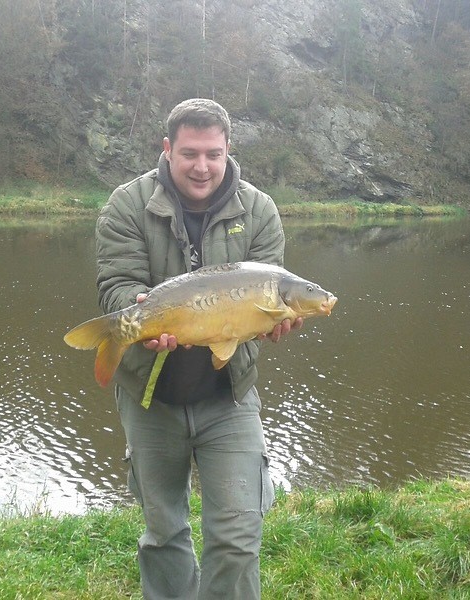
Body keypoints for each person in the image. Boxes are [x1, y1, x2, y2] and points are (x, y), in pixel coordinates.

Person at [95, 98, 301, 600]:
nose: (202, 166)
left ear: (228, 150)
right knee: (164, 533)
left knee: (238, 537)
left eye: (213, 154)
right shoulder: (127, 204)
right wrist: (137, 311)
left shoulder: (259, 210)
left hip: (229, 394)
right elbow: (116, 286)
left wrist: (271, 325)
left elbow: (268, 291)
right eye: (189, 153)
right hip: (150, 393)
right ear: (167, 149)